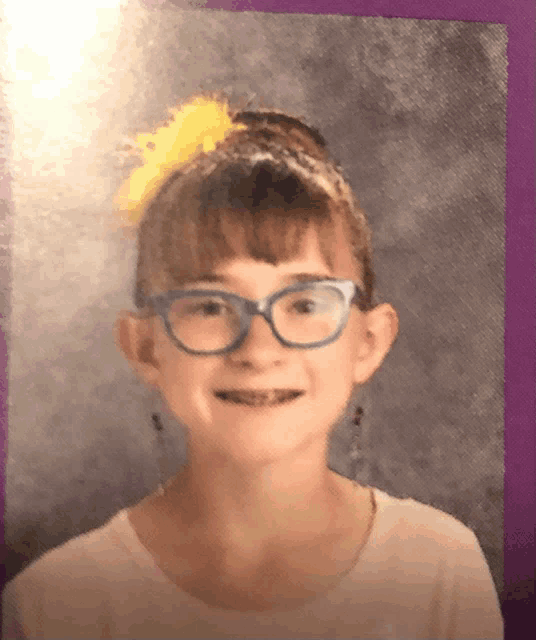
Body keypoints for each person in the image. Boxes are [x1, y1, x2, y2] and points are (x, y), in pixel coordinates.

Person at [2, 94, 503, 639]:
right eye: (211, 306)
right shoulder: (53, 607)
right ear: (145, 346)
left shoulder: (442, 573)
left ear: (368, 342)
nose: (259, 349)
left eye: (306, 304)